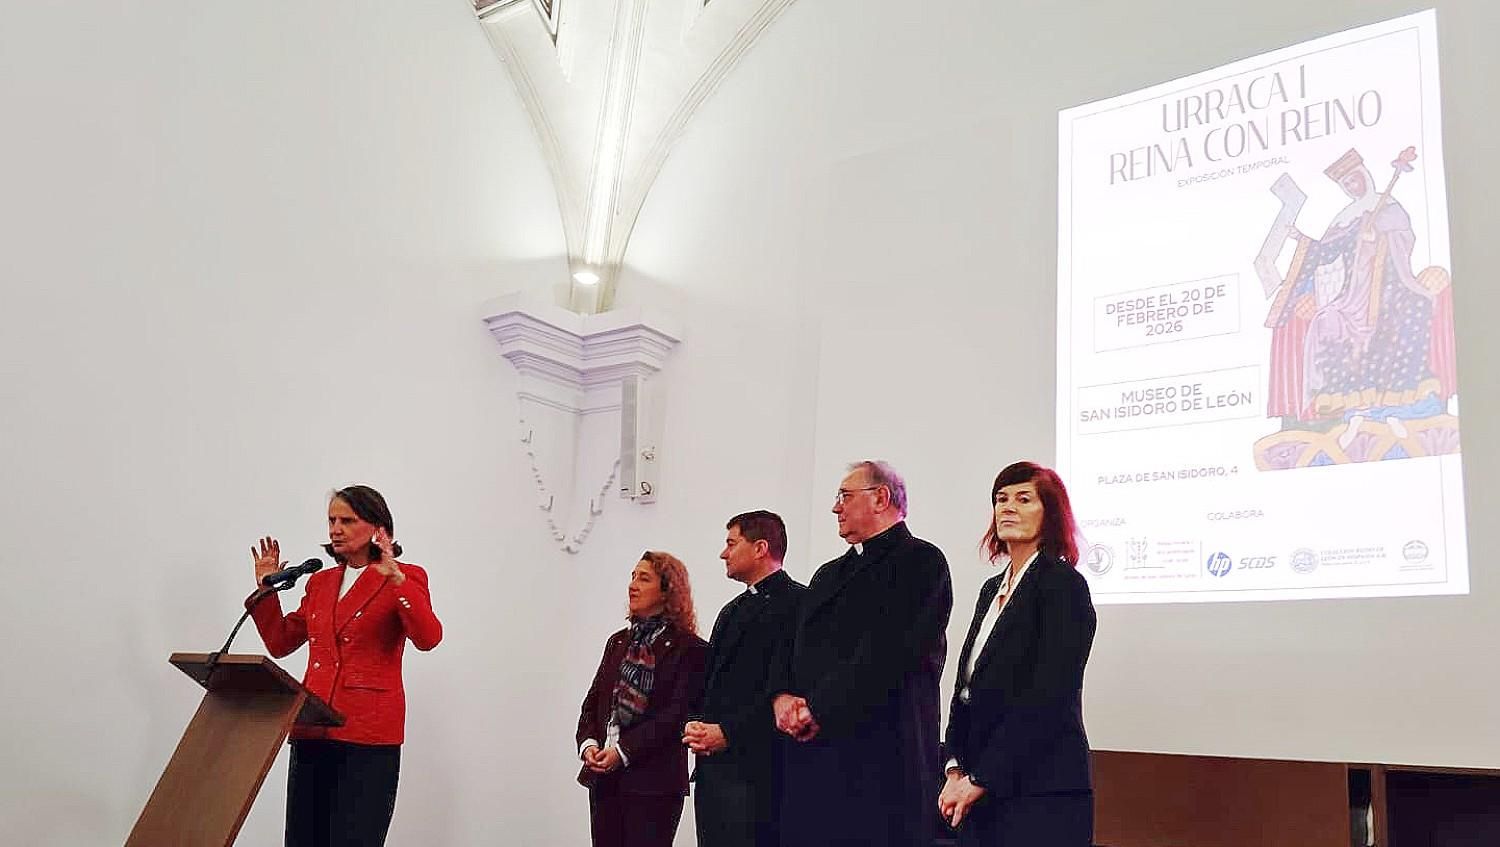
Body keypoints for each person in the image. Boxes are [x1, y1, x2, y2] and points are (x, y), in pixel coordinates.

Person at [247, 484, 443, 847]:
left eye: (347, 521)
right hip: (311, 729)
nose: (336, 529)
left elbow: (429, 638)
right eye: (331, 521)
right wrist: (265, 590)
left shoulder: (406, 576)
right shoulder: (320, 582)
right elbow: (280, 642)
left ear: (378, 528)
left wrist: (397, 581)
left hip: (367, 735)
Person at [771, 460, 953, 847]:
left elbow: (889, 653)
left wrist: (817, 707)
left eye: (845, 496)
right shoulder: (828, 574)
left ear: (880, 498)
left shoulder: (921, 562)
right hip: (815, 756)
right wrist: (782, 697)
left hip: (883, 757)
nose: (835, 507)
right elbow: (793, 645)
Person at [938, 461, 1096, 845]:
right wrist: (955, 769)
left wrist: (982, 778)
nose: (1008, 507)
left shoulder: (1063, 585)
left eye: (1024, 499)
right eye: (1001, 499)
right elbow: (966, 688)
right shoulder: (990, 589)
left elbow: (1049, 696)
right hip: (978, 787)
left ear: (1050, 513)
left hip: (1040, 789)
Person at [684, 511, 806, 847]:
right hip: (714, 770)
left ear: (760, 548)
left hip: (761, 773)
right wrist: (696, 723)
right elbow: (711, 683)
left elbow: (788, 689)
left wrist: (728, 732)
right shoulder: (732, 610)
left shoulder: (798, 604)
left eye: (731, 543)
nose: (723, 553)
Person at [576, 551, 708, 847]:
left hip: (654, 785)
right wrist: (589, 745)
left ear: (667, 591)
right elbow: (593, 703)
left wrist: (622, 752)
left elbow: (675, 716)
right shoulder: (618, 642)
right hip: (605, 782)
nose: (632, 585)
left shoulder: (690, 649)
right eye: (633, 576)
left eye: (644, 578)